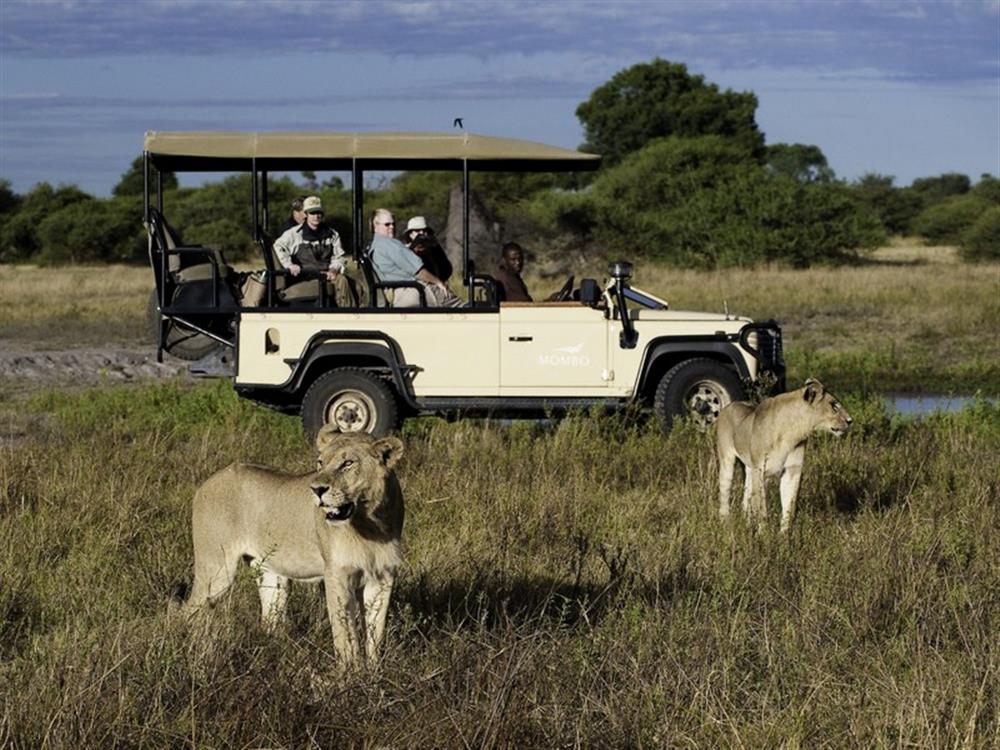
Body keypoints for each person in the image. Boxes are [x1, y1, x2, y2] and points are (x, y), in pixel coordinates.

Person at [272, 195, 352, 305]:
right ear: (306, 214)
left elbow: (339, 257)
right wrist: (289, 265)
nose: (316, 216)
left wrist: (333, 269)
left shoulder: (332, 234)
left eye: (319, 213)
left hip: (328, 274)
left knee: (348, 280)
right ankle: (347, 315)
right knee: (342, 281)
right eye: (312, 213)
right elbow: (278, 246)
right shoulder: (294, 234)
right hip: (305, 276)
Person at [369, 208, 457, 308]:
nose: (392, 227)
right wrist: (438, 283)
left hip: (405, 292)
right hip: (412, 290)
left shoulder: (376, 245)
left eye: (393, 224)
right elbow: (418, 271)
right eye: (387, 224)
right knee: (463, 308)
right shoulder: (390, 244)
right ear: (375, 226)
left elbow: (446, 270)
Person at [403, 216, 452, 282]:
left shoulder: (433, 250)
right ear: (410, 234)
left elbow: (447, 271)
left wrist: (436, 247)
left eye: (424, 231)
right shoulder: (404, 251)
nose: (422, 233)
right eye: (417, 231)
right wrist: (414, 249)